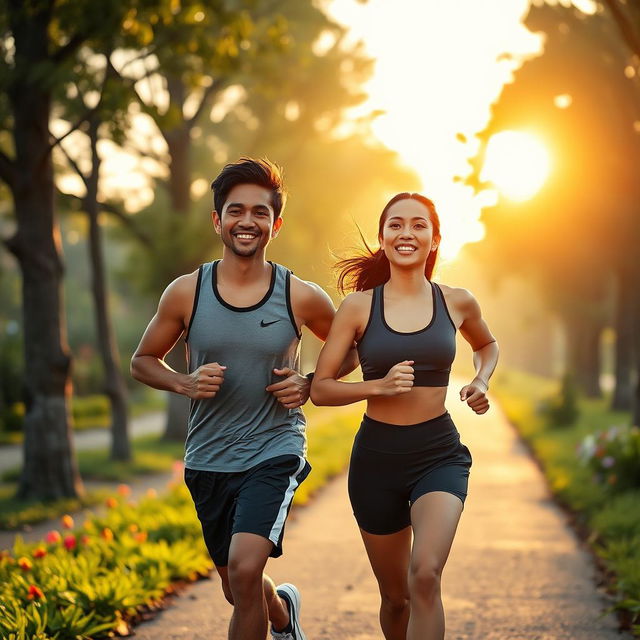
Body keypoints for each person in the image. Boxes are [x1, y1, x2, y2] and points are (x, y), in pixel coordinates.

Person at [131, 157, 357, 640]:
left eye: (259, 212)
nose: (247, 221)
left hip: (274, 449)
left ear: (275, 224)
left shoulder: (300, 295)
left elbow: (352, 353)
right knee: (237, 585)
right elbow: (142, 361)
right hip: (208, 456)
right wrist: (184, 383)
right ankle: (283, 616)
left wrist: (311, 382)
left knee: (245, 567)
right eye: (236, 211)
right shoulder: (186, 292)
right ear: (218, 221)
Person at [310, 192, 498, 640]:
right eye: (396, 225)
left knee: (426, 576)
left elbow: (486, 346)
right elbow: (321, 388)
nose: (406, 233)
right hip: (377, 460)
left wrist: (482, 380)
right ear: (382, 237)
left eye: (418, 225)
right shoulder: (357, 307)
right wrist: (376, 386)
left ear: (435, 239)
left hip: (439, 454)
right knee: (396, 598)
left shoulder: (458, 302)